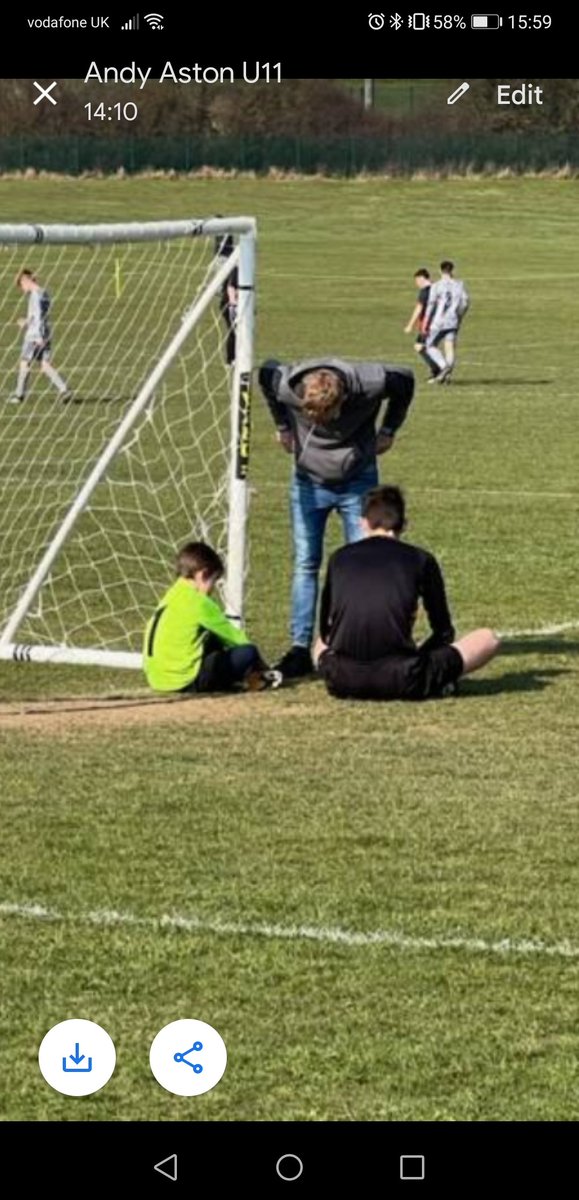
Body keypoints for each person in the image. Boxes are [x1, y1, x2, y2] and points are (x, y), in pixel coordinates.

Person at [259, 356, 414, 678]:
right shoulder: (288, 385)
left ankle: (360, 642)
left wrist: (389, 429)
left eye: (329, 416)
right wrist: (283, 426)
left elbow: (406, 379)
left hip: (356, 479)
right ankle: (300, 649)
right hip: (307, 483)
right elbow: (265, 373)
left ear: (343, 398)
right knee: (305, 562)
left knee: (367, 562)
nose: (324, 424)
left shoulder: (370, 382)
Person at [315, 485, 499, 701]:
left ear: (363, 522)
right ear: (404, 524)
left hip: (341, 680)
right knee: (488, 638)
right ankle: (438, 683)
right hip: (403, 678)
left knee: (318, 643)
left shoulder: (339, 558)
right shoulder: (421, 559)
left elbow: (327, 634)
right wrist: (422, 655)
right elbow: (443, 631)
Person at [143, 541, 281, 694]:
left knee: (212, 639)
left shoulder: (172, 595)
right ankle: (254, 679)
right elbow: (236, 639)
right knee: (248, 652)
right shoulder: (199, 602)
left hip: (157, 680)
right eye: (213, 582)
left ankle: (231, 681)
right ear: (203, 574)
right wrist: (264, 668)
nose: (212, 589)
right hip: (183, 682)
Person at [9, 269, 71, 404]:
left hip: (35, 336)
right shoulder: (44, 293)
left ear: (26, 280)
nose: (21, 289)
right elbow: (37, 316)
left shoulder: (35, 296)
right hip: (45, 332)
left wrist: (39, 337)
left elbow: (39, 318)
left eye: (21, 285)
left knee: (25, 362)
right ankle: (64, 390)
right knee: (45, 365)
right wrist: (26, 321)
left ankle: (19, 395)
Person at [423, 260, 469, 385]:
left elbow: (430, 305)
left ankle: (444, 367)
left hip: (438, 321)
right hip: (453, 320)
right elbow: (465, 302)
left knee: (429, 345)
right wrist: (459, 316)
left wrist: (426, 321)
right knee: (450, 348)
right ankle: (447, 376)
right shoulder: (459, 285)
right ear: (452, 271)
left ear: (440, 270)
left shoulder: (436, 286)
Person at [403, 267, 438, 380]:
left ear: (422, 278)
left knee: (420, 347)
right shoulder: (436, 288)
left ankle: (438, 370)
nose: (417, 284)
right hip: (437, 323)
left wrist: (410, 325)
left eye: (417, 281)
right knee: (426, 347)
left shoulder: (425, 291)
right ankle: (437, 370)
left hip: (427, 324)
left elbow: (419, 309)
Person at [214, 219, 238, 366]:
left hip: (228, 298)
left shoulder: (222, 261)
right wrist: (233, 303)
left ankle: (234, 358)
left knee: (235, 331)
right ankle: (231, 359)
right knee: (234, 331)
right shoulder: (233, 265)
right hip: (229, 301)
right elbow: (230, 286)